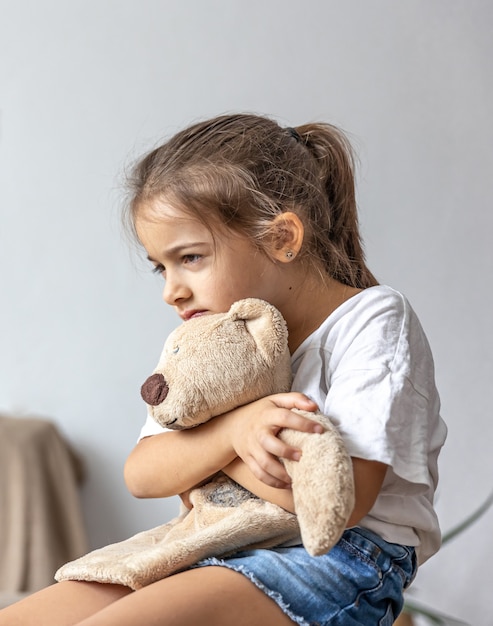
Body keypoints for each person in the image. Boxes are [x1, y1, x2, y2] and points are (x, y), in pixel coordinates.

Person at [0, 113, 447, 626]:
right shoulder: (212, 342)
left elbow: (342, 505)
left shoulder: (372, 320)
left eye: (190, 257)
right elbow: (142, 472)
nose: (172, 290)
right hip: (216, 540)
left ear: (282, 238)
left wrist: (213, 457)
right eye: (160, 267)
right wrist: (236, 431)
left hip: (339, 559)